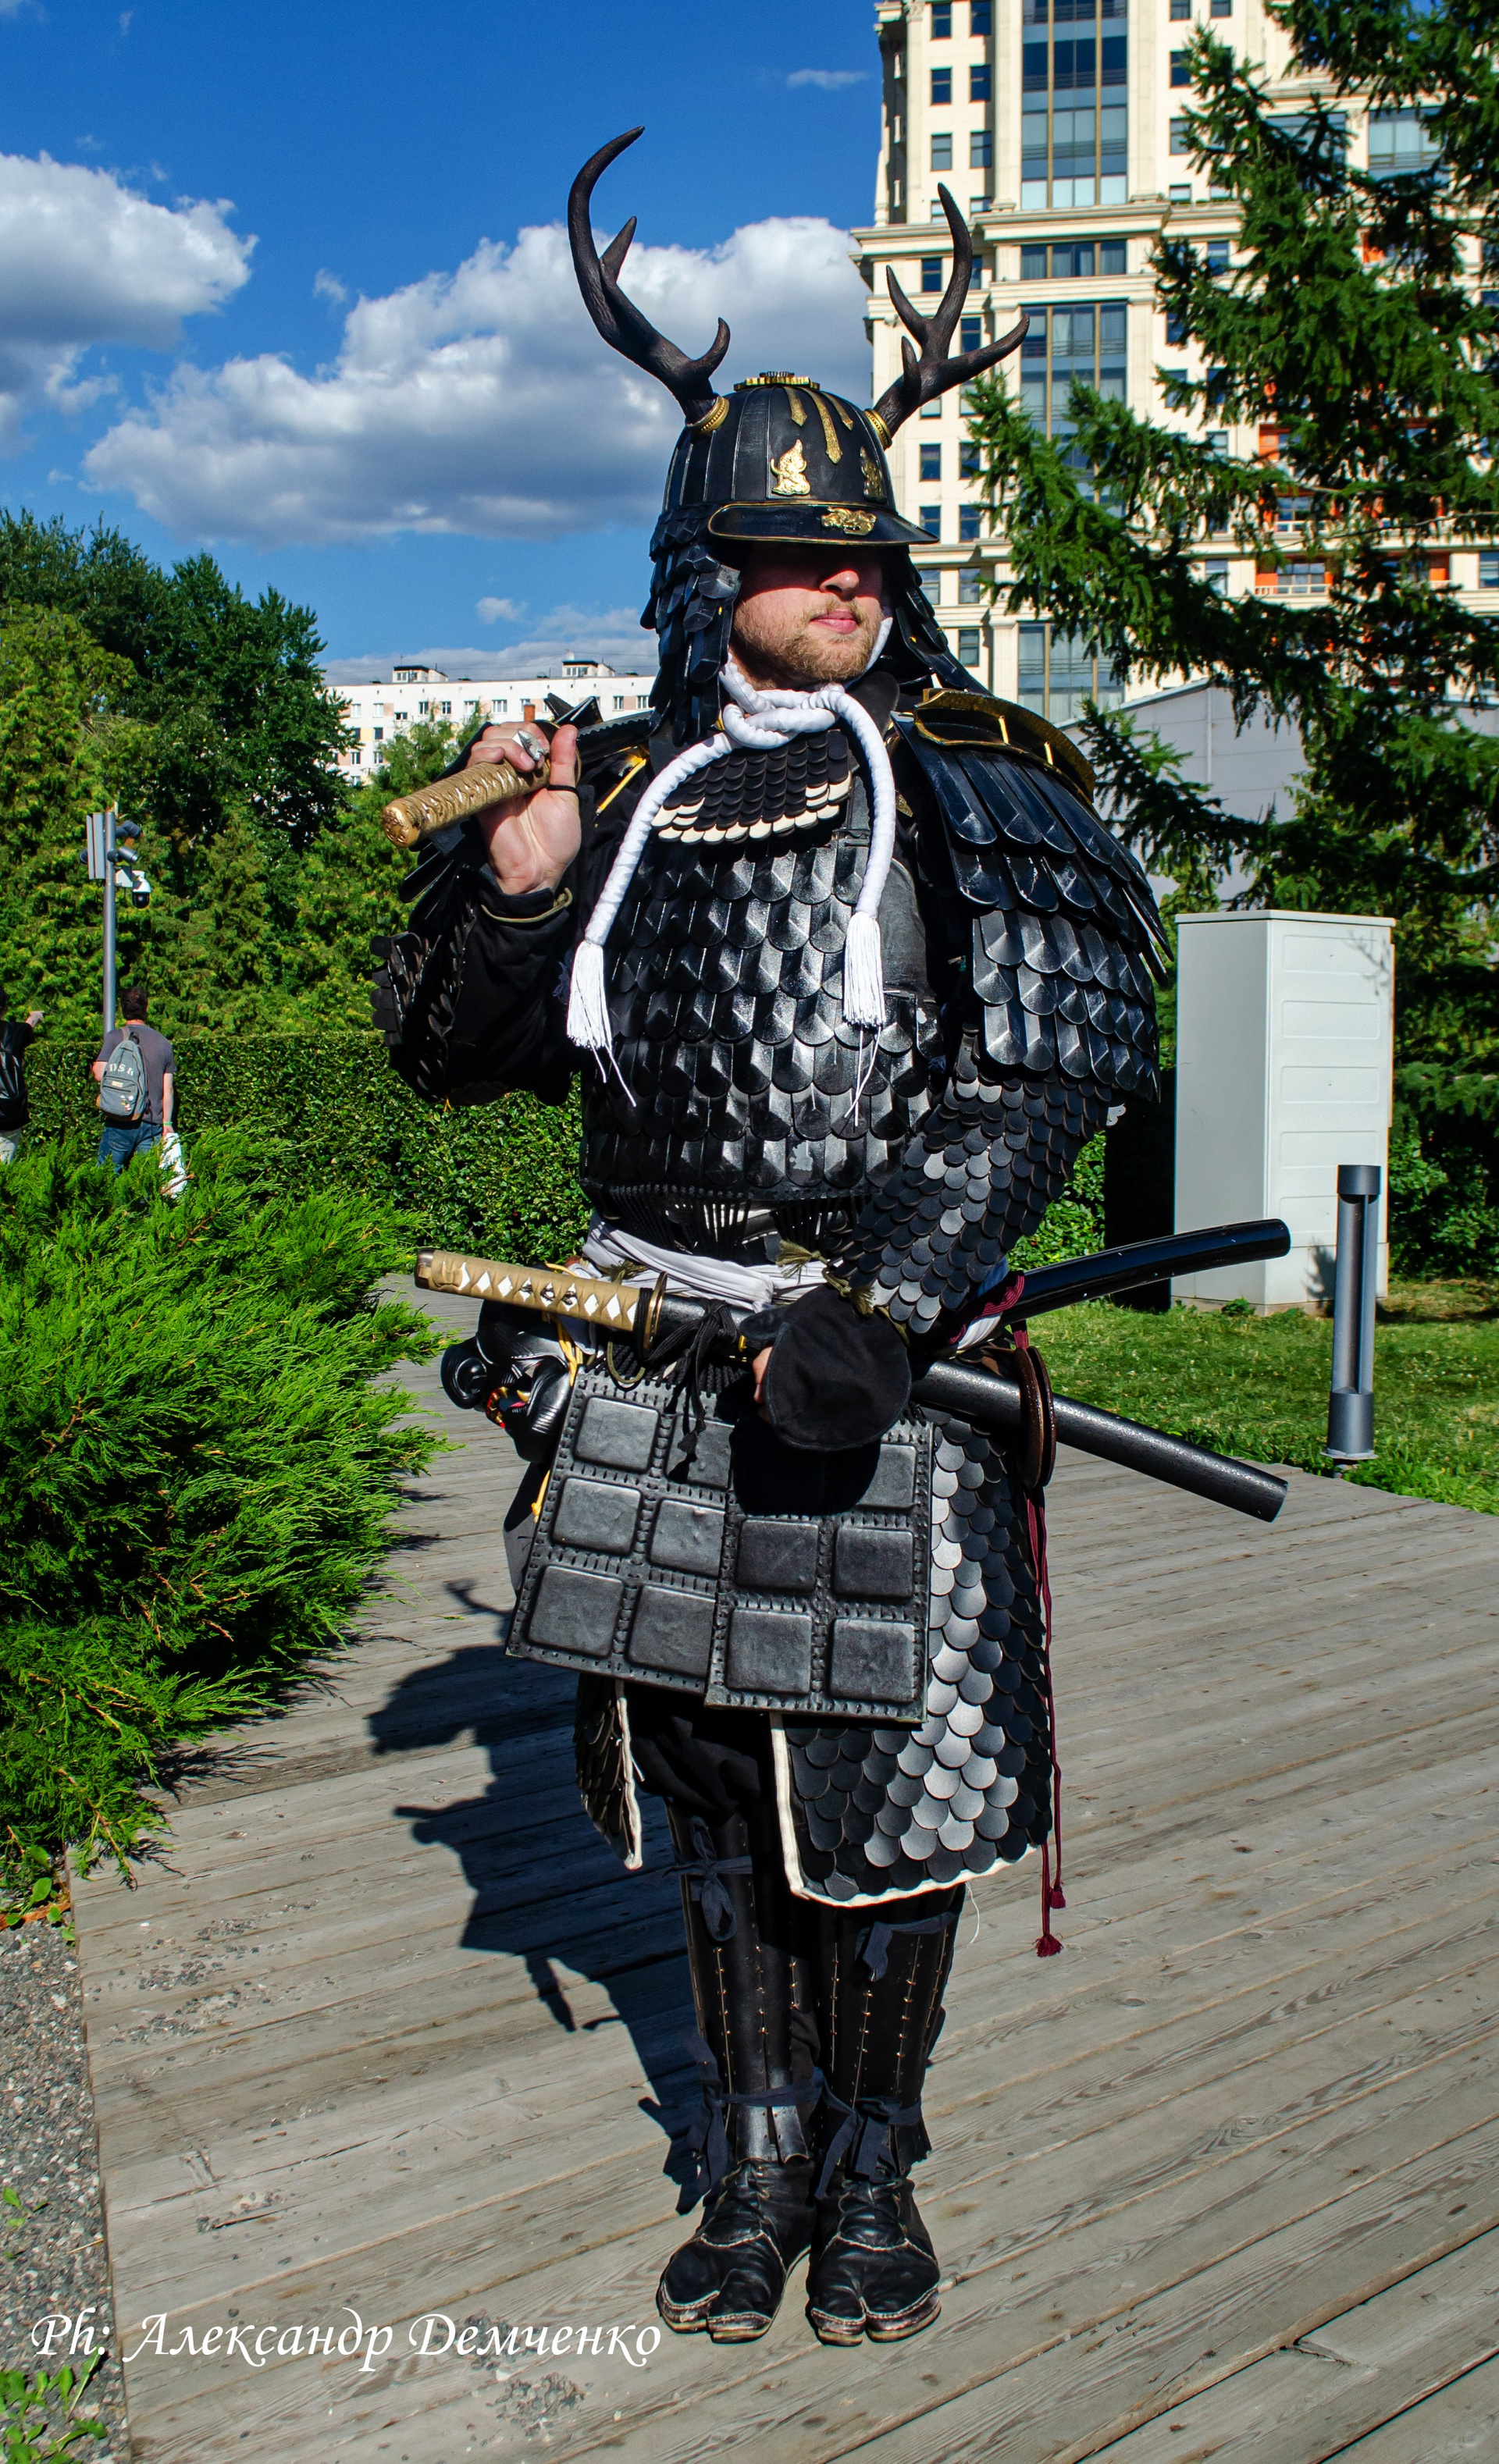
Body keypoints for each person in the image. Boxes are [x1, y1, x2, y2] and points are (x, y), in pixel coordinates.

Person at [376, 134, 1163, 2351]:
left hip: (877, 1370)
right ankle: (746, 2166)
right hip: (649, 1360)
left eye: (866, 553)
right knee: (715, 1790)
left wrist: (885, 1296)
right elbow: (449, 1057)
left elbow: (1045, 1070)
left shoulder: (976, 776)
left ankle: (874, 2168)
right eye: (800, 555)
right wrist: (520, 881)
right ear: (699, 566)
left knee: (891, 1788)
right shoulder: (625, 804)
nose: (849, 580)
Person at [93, 984, 175, 1174]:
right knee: (143, 1179)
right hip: (151, 1124)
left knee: (107, 1176)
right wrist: (167, 1123)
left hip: (120, 1119)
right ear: (146, 1008)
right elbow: (168, 1089)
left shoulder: (116, 1037)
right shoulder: (164, 1043)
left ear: (123, 1008)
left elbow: (99, 1074)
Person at [0, 990, 44, 1165]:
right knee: (4, 1167)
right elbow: (28, 1026)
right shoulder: (14, 1032)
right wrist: (34, 1017)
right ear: (4, 1009)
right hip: (8, 1113)